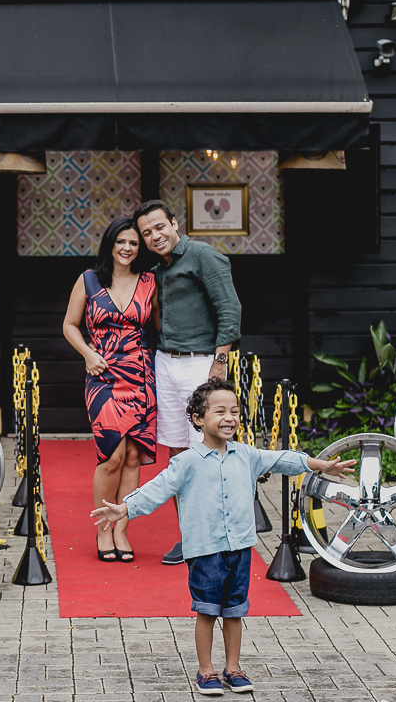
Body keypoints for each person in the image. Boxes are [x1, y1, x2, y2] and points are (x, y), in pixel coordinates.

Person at [91, 378, 355, 696]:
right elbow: (157, 489)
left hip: (240, 548)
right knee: (206, 611)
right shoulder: (186, 461)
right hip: (205, 550)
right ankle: (206, 671)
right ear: (198, 419)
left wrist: (321, 465)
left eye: (234, 411)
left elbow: (282, 459)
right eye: (220, 411)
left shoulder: (246, 454)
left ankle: (233, 668)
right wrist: (124, 508)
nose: (229, 418)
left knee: (234, 611)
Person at [135, 199, 241, 565]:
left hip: (201, 363)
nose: (155, 236)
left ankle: (217, 535)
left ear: (174, 223)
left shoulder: (202, 256)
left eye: (159, 227)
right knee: (178, 453)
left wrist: (220, 362)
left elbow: (230, 308)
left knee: (208, 451)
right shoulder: (157, 269)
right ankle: (190, 535)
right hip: (166, 363)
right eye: (147, 233)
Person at [63, 217, 158, 563]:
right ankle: (103, 528)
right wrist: (88, 354)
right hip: (102, 375)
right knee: (112, 456)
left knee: (133, 456)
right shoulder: (89, 280)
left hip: (141, 377)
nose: (127, 248)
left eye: (133, 243)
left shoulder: (149, 282)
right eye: (121, 241)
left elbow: (160, 327)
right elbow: (69, 325)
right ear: (110, 244)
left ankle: (121, 529)